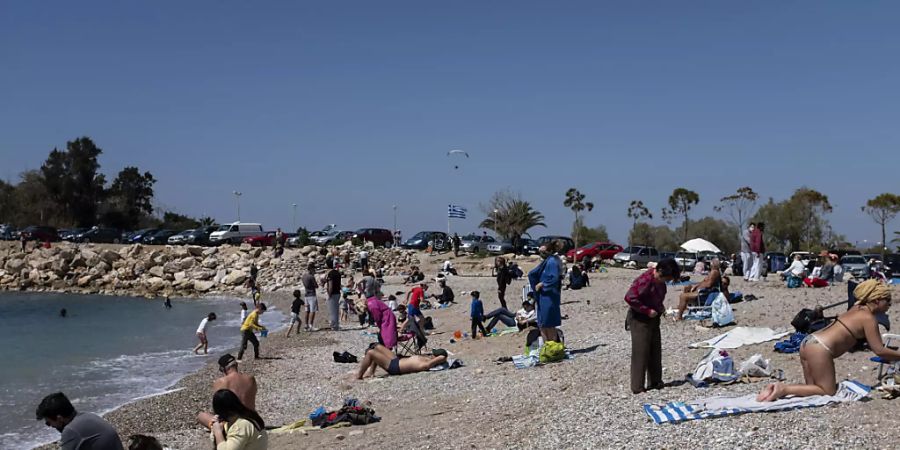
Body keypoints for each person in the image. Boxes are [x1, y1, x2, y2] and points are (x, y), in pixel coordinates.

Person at [758, 279, 899, 401]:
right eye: (887, 301)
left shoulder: (855, 308)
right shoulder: (868, 318)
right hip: (820, 348)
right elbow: (879, 350)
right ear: (876, 300)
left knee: (812, 390)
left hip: (808, 341)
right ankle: (782, 388)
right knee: (827, 391)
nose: (889, 305)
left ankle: (773, 390)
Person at [624, 258, 681, 394]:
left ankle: (655, 382)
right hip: (639, 318)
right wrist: (647, 310)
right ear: (660, 272)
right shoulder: (645, 280)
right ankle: (637, 387)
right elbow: (630, 298)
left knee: (655, 350)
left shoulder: (661, 283)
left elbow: (658, 298)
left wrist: (661, 309)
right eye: (667, 278)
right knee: (641, 352)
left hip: (654, 318)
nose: (667, 281)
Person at [36, 392, 125, 450]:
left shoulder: (71, 430)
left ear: (59, 418)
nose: (51, 426)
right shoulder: (88, 416)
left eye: (49, 423)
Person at [198, 354, 258, 430]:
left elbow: (218, 408)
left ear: (223, 369)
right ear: (236, 365)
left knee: (201, 415)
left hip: (233, 425)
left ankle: (215, 429)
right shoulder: (251, 379)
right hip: (252, 421)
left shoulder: (221, 382)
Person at [527, 240, 563, 343]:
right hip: (542, 296)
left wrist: (543, 284)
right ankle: (546, 345)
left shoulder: (552, 261)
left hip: (549, 295)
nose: (541, 254)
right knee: (542, 322)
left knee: (549, 322)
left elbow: (555, 278)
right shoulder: (546, 261)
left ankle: (552, 344)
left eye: (543, 252)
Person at [356, 344, 447, 379]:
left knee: (371, 353)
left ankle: (359, 376)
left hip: (394, 367)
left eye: (433, 355)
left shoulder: (426, 364)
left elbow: (427, 366)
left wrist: (441, 358)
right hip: (397, 360)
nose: (431, 354)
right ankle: (371, 372)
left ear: (437, 358)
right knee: (377, 346)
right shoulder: (427, 359)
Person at [325, 259, 342, 331]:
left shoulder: (330, 274)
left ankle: (334, 325)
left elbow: (330, 285)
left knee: (332, 310)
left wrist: (329, 293)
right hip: (338, 292)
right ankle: (336, 324)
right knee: (336, 309)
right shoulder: (338, 273)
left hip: (333, 293)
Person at [301, 263, 319, 331]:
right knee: (312, 311)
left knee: (307, 311)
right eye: (314, 269)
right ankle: (311, 325)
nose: (314, 270)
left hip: (306, 295)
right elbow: (316, 286)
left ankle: (306, 325)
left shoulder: (304, 276)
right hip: (312, 295)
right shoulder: (311, 277)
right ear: (311, 269)